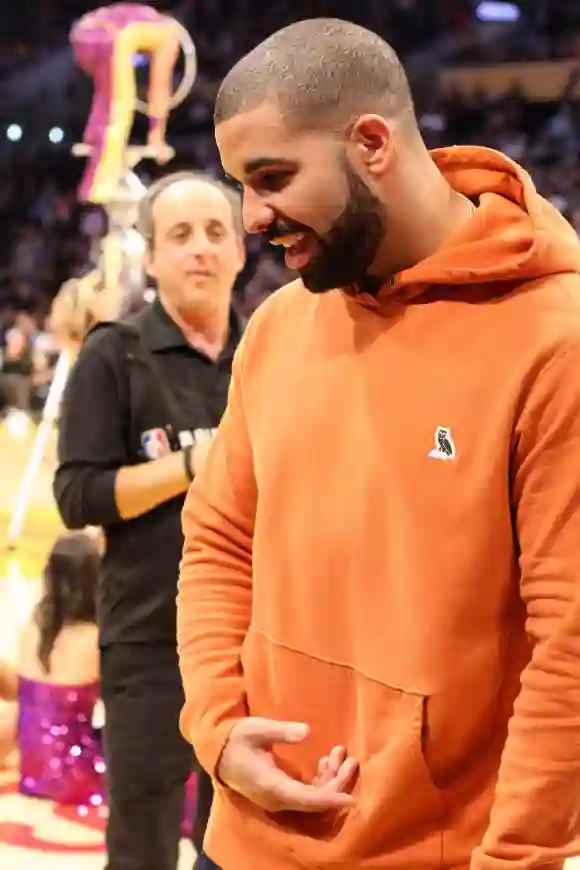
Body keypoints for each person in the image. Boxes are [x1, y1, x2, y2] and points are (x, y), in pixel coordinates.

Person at [177, 18, 580, 870]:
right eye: (241, 185)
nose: (251, 217)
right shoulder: (280, 326)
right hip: (239, 837)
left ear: (370, 143)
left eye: (273, 177)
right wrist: (216, 728)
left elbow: (571, 646)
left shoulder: (556, 339)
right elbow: (216, 543)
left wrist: (517, 859)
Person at [54, 170, 246, 870]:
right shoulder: (115, 353)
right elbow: (79, 495)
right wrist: (198, 465)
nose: (200, 248)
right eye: (180, 235)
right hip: (148, 640)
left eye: (216, 232)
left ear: (240, 252)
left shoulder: (268, 354)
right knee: (141, 848)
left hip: (250, 644)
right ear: (153, 256)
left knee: (238, 847)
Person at [0, 531, 103, 805]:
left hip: (32, 771)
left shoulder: (31, 629)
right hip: (77, 775)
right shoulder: (97, 639)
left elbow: (23, 700)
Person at [70, 3, 179, 203]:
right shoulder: (165, 33)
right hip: (112, 39)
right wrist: (157, 133)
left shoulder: (136, 15)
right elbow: (160, 87)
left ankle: (93, 135)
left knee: (107, 90)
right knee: (120, 104)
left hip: (81, 36)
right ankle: (98, 185)